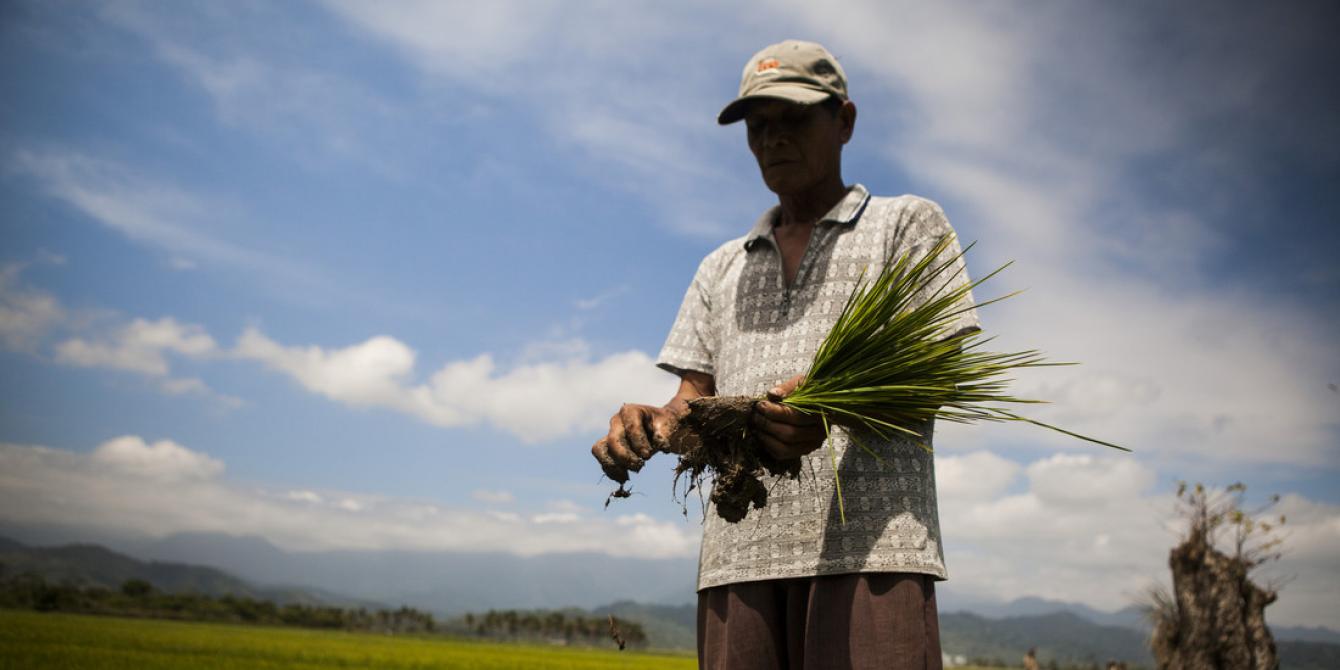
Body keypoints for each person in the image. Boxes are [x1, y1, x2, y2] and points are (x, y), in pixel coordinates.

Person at [591, 40, 979, 670]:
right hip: (737, 558)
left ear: (844, 120)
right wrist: (654, 425)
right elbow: (694, 403)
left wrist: (828, 406)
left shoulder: (906, 225)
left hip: (871, 555)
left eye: (793, 119)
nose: (773, 140)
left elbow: (939, 366)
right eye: (758, 127)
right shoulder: (721, 266)